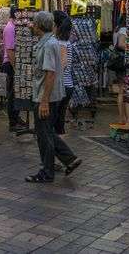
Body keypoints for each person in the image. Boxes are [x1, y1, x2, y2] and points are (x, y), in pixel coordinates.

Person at [27, 11, 81, 183]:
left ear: (39, 26)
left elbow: (50, 73)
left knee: (44, 135)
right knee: (46, 131)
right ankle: (69, 158)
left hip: (47, 95)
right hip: (51, 94)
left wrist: (44, 101)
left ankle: (47, 171)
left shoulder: (49, 44)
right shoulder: (50, 42)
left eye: (34, 24)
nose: (31, 26)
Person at [110, 16, 129, 129]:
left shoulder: (117, 29)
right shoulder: (124, 30)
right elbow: (121, 44)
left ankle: (122, 118)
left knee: (122, 91)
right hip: (125, 63)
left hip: (119, 63)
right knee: (128, 91)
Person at [52, 10, 74, 135]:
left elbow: (63, 63)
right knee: (59, 121)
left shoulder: (61, 42)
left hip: (62, 85)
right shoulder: (65, 41)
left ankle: (60, 150)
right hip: (66, 85)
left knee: (56, 121)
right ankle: (60, 150)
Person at [2, 7, 21, 131]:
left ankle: (16, 117)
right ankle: (12, 122)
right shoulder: (10, 28)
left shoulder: (15, 27)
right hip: (10, 63)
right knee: (13, 94)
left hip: (13, 63)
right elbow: (9, 50)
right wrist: (16, 68)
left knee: (16, 92)